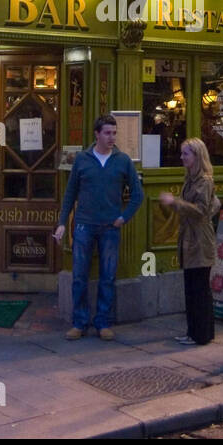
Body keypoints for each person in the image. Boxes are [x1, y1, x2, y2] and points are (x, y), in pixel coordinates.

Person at [55, 114, 144, 340]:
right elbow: (70, 193)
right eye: (107, 133)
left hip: (110, 226)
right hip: (84, 224)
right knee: (79, 276)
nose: (111, 137)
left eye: (114, 133)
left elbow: (137, 194)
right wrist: (62, 223)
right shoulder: (82, 159)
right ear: (97, 134)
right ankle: (79, 322)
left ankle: (103, 322)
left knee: (108, 276)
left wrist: (123, 217)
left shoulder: (122, 160)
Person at [158, 137, 219, 345]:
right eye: (182, 153)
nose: (182, 157)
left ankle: (200, 335)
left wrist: (175, 203)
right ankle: (195, 331)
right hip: (190, 239)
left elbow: (202, 211)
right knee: (192, 288)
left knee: (199, 289)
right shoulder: (190, 179)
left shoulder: (204, 181)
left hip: (199, 240)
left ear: (197, 156)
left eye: (186, 153)